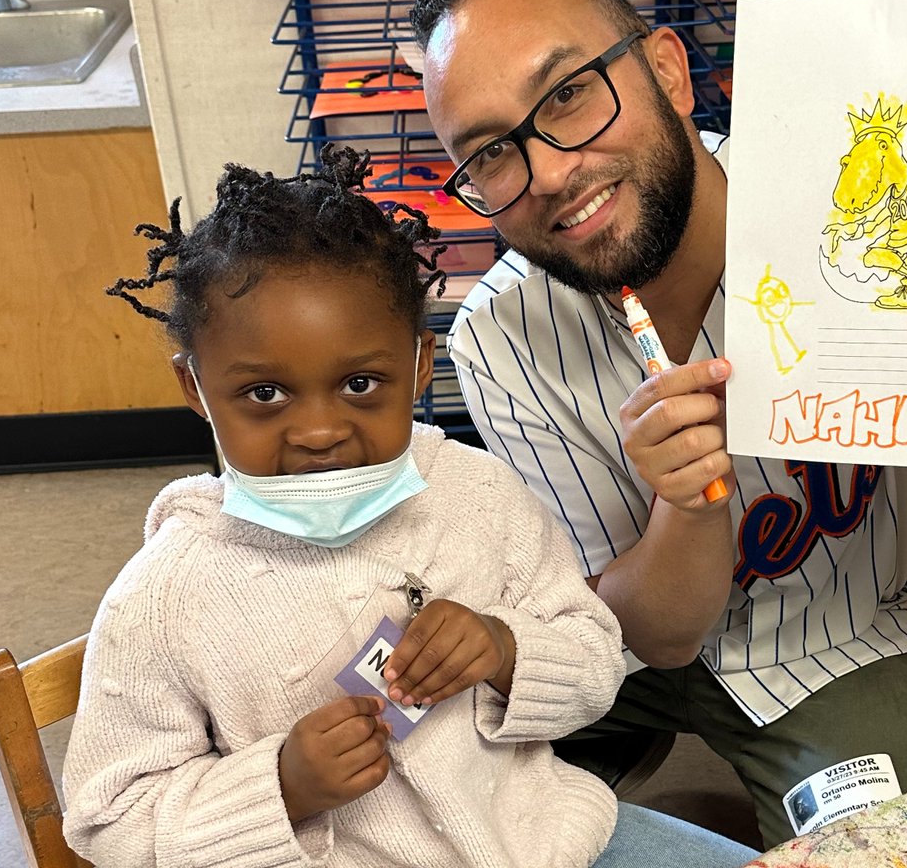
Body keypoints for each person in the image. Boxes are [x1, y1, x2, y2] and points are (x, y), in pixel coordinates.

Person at [411, 0, 907, 848]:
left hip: (843, 640)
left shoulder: (869, 216)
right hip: (613, 644)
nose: (551, 172)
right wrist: (684, 508)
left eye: (569, 94)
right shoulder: (502, 330)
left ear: (668, 73)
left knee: (895, 846)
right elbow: (643, 633)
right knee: (410, 787)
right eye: (489, 152)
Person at [61, 147, 760, 868]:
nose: (320, 431)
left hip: (550, 841)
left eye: (361, 383)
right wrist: (280, 787)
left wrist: (503, 647)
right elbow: (109, 823)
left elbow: (594, 666)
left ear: (421, 364)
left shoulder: (480, 499)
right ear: (196, 389)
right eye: (265, 394)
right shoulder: (162, 599)